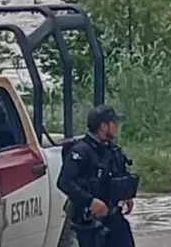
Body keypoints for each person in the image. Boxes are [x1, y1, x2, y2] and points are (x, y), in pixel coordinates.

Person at [57, 105, 139, 247]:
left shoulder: (111, 149)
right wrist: (90, 201)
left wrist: (126, 195)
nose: (117, 127)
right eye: (114, 123)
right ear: (103, 126)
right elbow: (65, 182)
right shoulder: (81, 151)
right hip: (89, 222)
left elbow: (117, 174)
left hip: (114, 216)